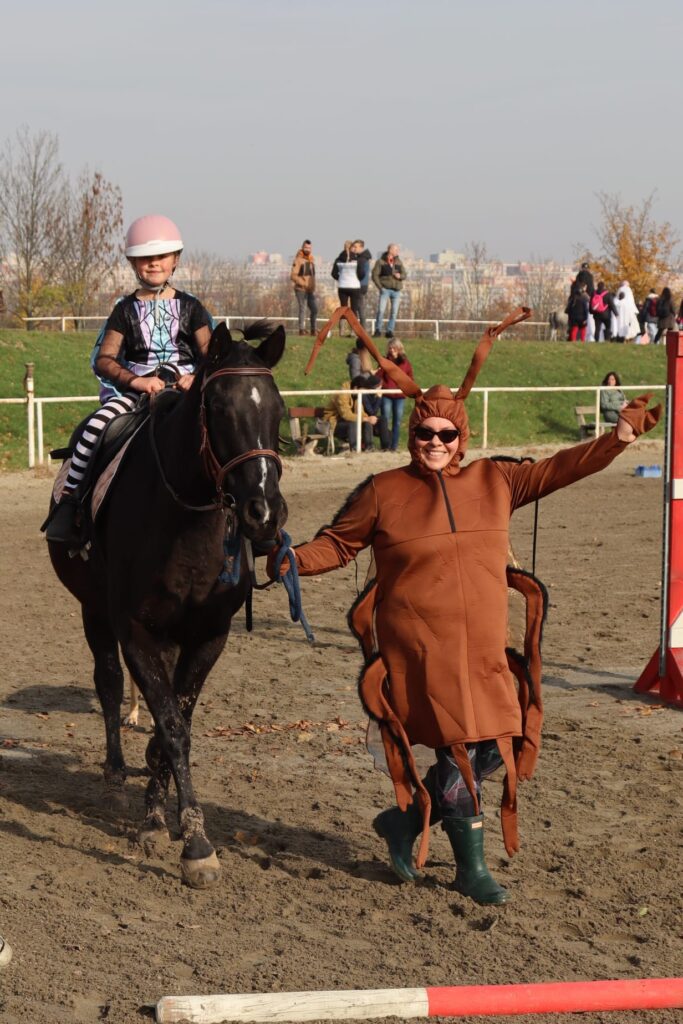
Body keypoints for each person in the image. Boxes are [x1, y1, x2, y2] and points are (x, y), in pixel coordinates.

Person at [270, 307, 660, 904]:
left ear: (462, 437)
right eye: (425, 433)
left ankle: (406, 820)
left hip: (484, 649)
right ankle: (470, 869)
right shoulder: (382, 491)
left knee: (503, 736)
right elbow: (339, 544)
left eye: (446, 434)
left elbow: (560, 468)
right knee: (460, 745)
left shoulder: (496, 480)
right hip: (422, 651)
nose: (435, 442)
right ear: (413, 434)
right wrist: (291, 560)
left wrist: (617, 440)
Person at [45, 215, 213, 545]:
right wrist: (138, 382)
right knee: (94, 426)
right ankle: (70, 501)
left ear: (175, 259)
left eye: (161, 256)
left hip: (186, 391)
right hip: (137, 393)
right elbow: (105, 360)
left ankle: (244, 513)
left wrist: (194, 378)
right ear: (133, 263)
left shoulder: (192, 307)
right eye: (145, 258)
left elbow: (212, 355)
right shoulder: (124, 310)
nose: (154, 263)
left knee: (227, 427)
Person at [322, 375, 378, 452]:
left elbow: (361, 412)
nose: (362, 394)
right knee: (354, 422)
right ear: (355, 388)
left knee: (367, 422)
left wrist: (368, 418)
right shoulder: (342, 394)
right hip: (333, 424)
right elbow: (346, 415)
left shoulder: (357, 395)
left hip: (347, 423)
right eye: (362, 391)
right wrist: (365, 418)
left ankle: (369, 447)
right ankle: (354, 448)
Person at [378, 339, 414, 451]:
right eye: (390, 348)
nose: (392, 350)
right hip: (386, 395)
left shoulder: (405, 363)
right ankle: (385, 445)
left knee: (397, 422)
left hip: (399, 397)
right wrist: (383, 387)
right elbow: (379, 376)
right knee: (385, 420)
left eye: (394, 348)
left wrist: (406, 388)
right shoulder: (385, 361)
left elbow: (410, 378)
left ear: (399, 349)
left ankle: (394, 446)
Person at [372, 244, 407, 338]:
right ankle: (378, 330)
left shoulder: (399, 261)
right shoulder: (380, 262)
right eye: (396, 249)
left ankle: (390, 331)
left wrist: (400, 276)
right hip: (385, 289)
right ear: (390, 250)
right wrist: (380, 288)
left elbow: (404, 274)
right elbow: (374, 275)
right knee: (381, 310)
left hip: (396, 290)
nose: (398, 251)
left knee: (394, 312)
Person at [331, 241, 369, 323]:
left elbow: (333, 273)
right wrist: (357, 279)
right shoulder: (357, 259)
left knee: (343, 309)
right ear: (352, 248)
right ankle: (354, 328)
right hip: (354, 287)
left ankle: (342, 328)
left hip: (342, 286)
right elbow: (361, 273)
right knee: (354, 310)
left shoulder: (338, 259)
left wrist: (341, 278)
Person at [354, 374, 391, 451]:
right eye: (380, 385)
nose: (381, 387)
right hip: (363, 418)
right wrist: (379, 398)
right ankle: (368, 446)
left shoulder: (373, 394)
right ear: (375, 387)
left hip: (370, 417)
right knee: (368, 422)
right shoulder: (364, 395)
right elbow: (372, 412)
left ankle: (385, 446)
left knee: (383, 419)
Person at [290, 239, 318, 336]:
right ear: (302, 247)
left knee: (314, 309)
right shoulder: (298, 260)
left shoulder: (311, 260)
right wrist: (303, 283)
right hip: (300, 289)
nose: (307, 249)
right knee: (303, 308)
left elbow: (312, 276)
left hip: (310, 290)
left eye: (309, 248)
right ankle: (302, 330)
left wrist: (312, 286)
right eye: (306, 247)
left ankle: (313, 329)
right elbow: (293, 276)